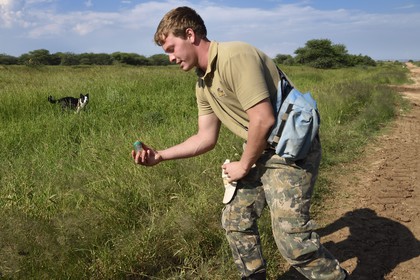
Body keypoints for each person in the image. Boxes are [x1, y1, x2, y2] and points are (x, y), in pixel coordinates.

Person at [132, 6, 348, 280]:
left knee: (293, 242)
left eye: (172, 48)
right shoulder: (203, 84)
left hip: (290, 152)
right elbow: (205, 137)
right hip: (260, 149)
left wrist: (244, 165)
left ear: (190, 34)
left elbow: (263, 120)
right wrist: (161, 155)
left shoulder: (236, 56)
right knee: (236, 220)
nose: (171, 58)